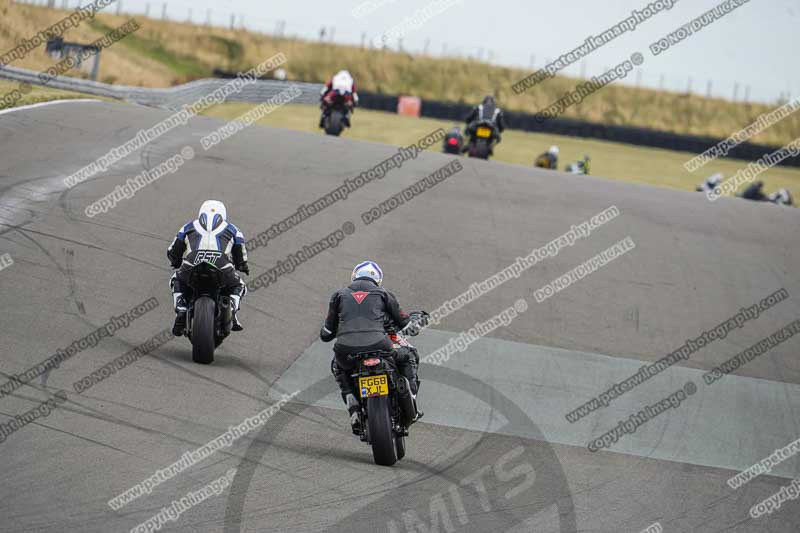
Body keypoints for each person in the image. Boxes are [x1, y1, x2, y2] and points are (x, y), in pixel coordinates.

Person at [320, 261, 428, 433]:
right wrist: (416, 322)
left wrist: (341, 327)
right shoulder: (384, 293)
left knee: (338, 367)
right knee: (409, 356)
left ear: (354, 276)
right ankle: (411, 400)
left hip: (346, 350)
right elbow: (407, 326)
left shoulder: (338, 295)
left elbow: (325, 334)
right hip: (380, 345)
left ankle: (354, 410)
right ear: (378, 280)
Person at [167, 200, 249, 336]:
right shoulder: (234, 230)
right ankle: (232, 312)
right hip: (221, 265)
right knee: (239, 285)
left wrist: (175, 261)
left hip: (193, 263)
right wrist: (243, 266)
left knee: (176, 279)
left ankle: (181, 309)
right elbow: (241, 256)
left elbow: (173, 251)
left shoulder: (187, 227)